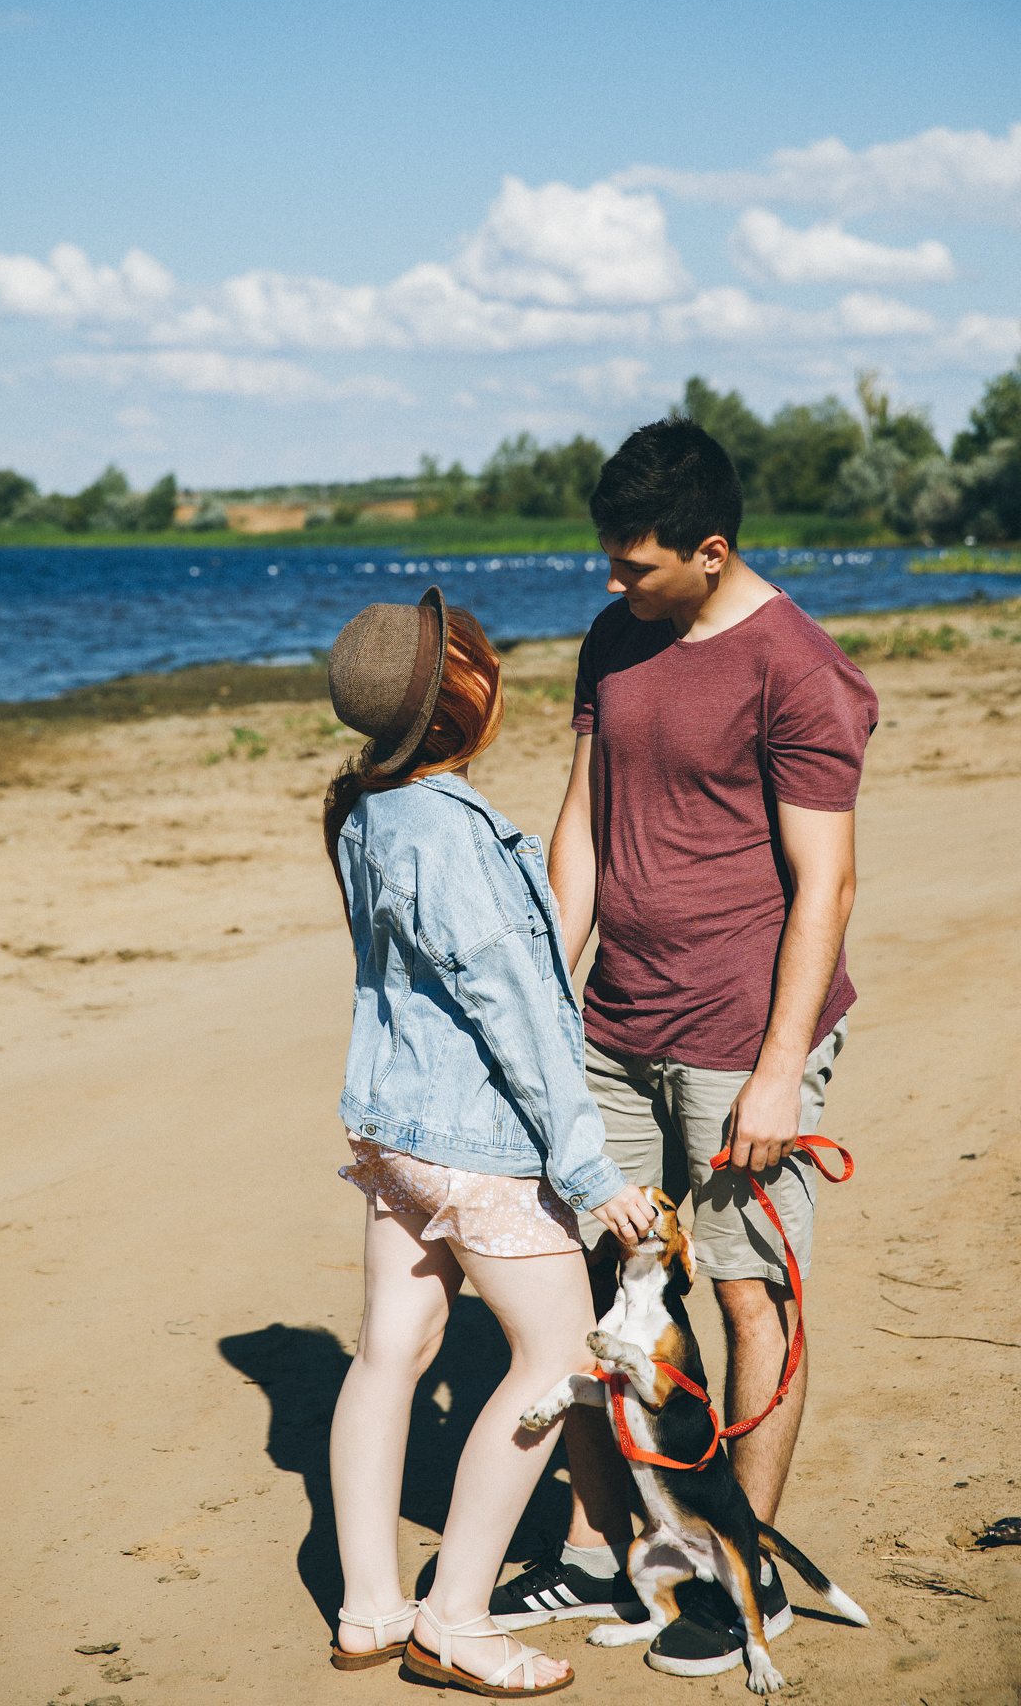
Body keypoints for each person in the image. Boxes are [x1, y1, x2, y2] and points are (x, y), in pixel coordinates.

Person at [488, 419, 878, 1679]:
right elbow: (583, 834)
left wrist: (775, 1074)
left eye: (634, 565)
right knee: (600, 1294)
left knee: (747, 1295)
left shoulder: (798, 671)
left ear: (711, 553)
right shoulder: (617, 641)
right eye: (608, 561)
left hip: (736, 1040)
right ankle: (626, 1549)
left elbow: (825, 888)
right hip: (612, 1024)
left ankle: (737, 1572)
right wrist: (547, 1006)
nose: (611, 585)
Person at [323, 586, 656, 1697]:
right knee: (558, 1361)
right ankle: (456, 1618)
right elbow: (521, 1012)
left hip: (394, 1130)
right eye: (482, 660)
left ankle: (373, 1606)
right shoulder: (452, 832)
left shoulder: (369, 809)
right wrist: (592, 1171)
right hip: (473, 1141)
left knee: (389, 1353)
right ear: (466, 698)